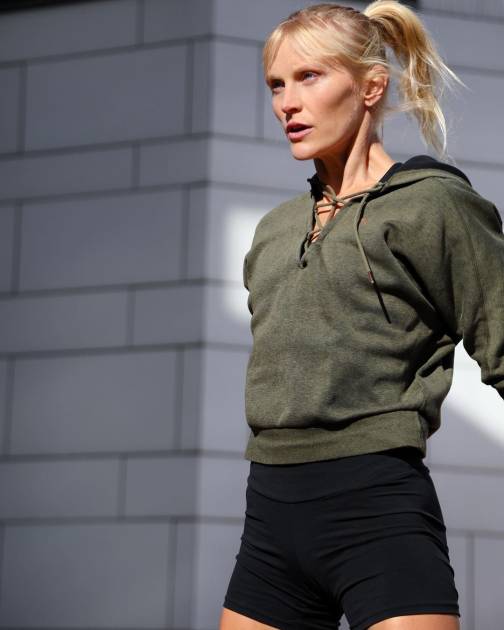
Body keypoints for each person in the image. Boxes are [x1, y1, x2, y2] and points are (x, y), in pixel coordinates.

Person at [219, 2, 504, 629]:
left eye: (309, 77)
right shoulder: (275, 231)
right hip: (269, 517)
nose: (287, 103)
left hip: (376, 511)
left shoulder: (432, 206)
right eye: (276, 85)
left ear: (372, 86)